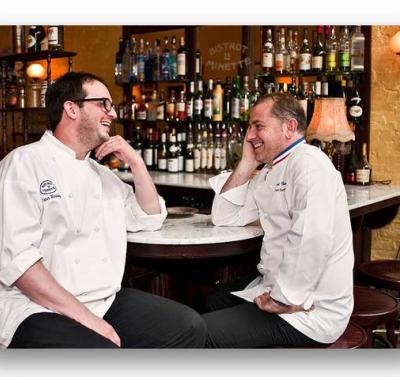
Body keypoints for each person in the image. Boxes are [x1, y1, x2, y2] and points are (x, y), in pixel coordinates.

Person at [0, 71, 206, 348]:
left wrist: (136, 163)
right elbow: (19, 262)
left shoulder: (101, 174)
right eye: (104, 104)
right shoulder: (23, 164)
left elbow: (149, 217)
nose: (113, 113)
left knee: (188, 326)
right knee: (102, 353)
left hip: (103, 301)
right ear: (71, 108)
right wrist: (87, 319)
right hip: (34, 306)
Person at [202, 93, 354, 348]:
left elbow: (312, 237)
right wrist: (247, 162)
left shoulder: (309, 164)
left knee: (201, 333)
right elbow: (224, 217)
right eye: (250, 127)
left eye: (258, 126)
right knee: (214, 299)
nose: (249, 136)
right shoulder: (269, 172)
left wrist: (282, 299)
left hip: (310, 310)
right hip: (273, 286)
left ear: (289, 127)